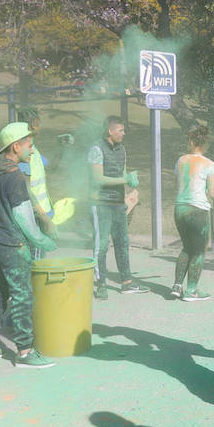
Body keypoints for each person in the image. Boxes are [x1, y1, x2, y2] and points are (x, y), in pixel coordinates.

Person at [0, 122, 58, 369]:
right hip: (12, 242)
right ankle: (25, 351)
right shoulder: (14, 177)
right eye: (29, 146)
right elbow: (24, 219)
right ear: (16, 146)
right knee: (22, 295)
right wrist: (44, 240)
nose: (32, 152)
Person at [88, 115, 147, 299]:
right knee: (102, 244)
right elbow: (97, 179)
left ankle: (126, 282)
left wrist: (130, 181)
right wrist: (124, 179)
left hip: (118, 203)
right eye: (120, 130)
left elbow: (122, 172)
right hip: (101, 203)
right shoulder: (96, 149)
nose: (124, 133)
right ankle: (101, 284)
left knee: (122, 242)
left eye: (123, 130)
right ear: (109, 131)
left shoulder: (122, 149)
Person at [171, 126, 214, 302]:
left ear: (191, 141)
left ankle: (177, 286)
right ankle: (191, 290)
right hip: (198, 210)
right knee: (199, 251)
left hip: (180, 209)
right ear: (205, 143)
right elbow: (213, 193)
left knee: (187, 247)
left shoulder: (180, 161)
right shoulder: (209, 165)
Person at [16, 107, 73, 259]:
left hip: (40, 214)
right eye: (37, 123)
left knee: (39, 257)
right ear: (32, 125)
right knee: (35, 260)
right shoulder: (22, 153)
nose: (39, 127)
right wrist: (45, 219)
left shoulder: (33, 149)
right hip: (34, 215)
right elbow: (26, 190)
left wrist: (61, 147)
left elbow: (52, 168)